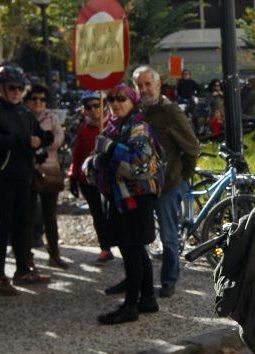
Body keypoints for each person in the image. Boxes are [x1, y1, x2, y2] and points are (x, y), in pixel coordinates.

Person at [84, 84, 162, 324]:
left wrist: (110, 152)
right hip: (120, 198)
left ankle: (130, 306)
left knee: (131, 250)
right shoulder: (112, 127)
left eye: (121, 99)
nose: (116, 104)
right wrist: (94, 163)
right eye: (112, 99)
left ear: (132, 101)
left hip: (136, 199)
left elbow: (140, 167)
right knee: (136, 249)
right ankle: (147, 298)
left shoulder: (138, 128)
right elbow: (92, 164)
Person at [131, 65, 200, 298]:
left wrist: (183, 177)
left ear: (158, 85)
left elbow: (192, 147)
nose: (144, 89)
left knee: (169, 236)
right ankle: (138, 279)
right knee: (139, 233)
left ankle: (169, 280)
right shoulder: (137, 111)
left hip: (168, 186)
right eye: (139, 85)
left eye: (148, 84)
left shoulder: (170, 112)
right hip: (142, 184)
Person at [0, 64, 53, 295]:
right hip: (2, 176)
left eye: (20, 88)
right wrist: (23, 141)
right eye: (12, 87)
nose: (16, 92)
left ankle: (23, 269)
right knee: (3, 225)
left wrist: (45, 138)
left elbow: (38, 135)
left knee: (23, 223)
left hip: (23, 175)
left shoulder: (24, 111)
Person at [25, 83, 67, 269]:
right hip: (27, 170)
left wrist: (42, 141)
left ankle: (54, 253)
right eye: (34, 98)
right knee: (27, 214)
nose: (38, 102)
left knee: (50, 214)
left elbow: (59, 139)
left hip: (49, 170)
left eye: (42, 99)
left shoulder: (52, 118)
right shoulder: (22, 117)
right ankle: (27, 255)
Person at [69, 91, 114, 264]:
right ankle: (105, 248)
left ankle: (119, 243)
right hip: (88, 179)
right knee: (98, 214)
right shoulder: (84, 129)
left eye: (96, 105)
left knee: (112, 212)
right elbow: (78, 154)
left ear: (103, 106)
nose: (93, 110)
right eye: (89, 107)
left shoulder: (112, 126)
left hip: (109, 177)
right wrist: (73, 176)